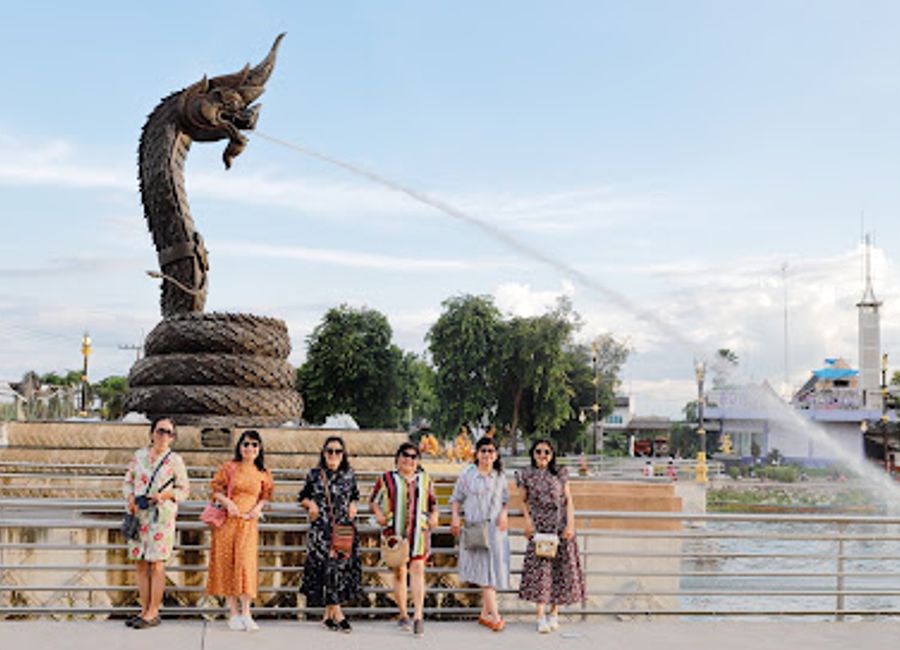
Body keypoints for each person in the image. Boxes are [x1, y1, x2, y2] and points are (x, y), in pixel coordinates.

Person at [122, 416, 189, 629]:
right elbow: (128, 481)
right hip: (139, 515)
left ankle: (153, 611)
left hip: (161, 517)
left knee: (157, 564)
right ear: (152, 433)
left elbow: (184, 490)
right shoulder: (139, 456)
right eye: (160, 431)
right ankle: (144, 609)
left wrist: (165, 495)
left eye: (169, 433)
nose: (164, 436)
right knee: (141, 564)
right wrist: (130, 498)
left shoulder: (175, 460)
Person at [206, 430, 273, 631]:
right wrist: (228, 503)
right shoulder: (229, 467)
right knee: (228, 563)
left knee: (245, 565)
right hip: (228, 522)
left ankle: (246, 611)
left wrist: (257, 509)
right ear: (239, 447)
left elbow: (266, 494)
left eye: (254, 445)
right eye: (246, 444)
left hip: (248, 523)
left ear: (259, 448)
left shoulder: (263, 472)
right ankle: (233, 612)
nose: (249, 448)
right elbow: (215, 489)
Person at [517, 439, 586, 633]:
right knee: (540, 571)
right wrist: (527, 521)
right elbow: (522, 500)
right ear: (532, 453)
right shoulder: (526, 475)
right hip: (539, 527)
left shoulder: (560, 473)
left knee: (558, 570)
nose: (542, 456)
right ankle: (540, 616)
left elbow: (568, 499)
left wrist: (571, 523)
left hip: (560, 525)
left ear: (552, 454)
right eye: (538, 452)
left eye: (547, 452)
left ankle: (554, 613)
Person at [370, 442, 438, 637]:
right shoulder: (387, 479)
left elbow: (433, 503)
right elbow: (373, 500)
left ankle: (418, 615)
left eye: (413, 456)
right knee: (400, 572)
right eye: (405, 455)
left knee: (418, 570)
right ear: (397, 458)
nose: (409, 459)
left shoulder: (425, 479)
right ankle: (403, 613)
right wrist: (378, 513)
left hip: (418, 532)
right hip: (395, 532)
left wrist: (434, 516)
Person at [299, 436, 361, 633]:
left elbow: (354, 495)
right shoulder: (315, 474)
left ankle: (328, 616)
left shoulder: (349, 475)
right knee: (329, 569)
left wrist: (353, 504)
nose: (333, 455)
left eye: (338, 451)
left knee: (337, 571)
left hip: (343, 530)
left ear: (343, 455)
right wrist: (310, 504)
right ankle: (339, 614)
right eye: (330, 451)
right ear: (323, 453)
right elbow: (302, 496)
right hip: (321, 531)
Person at [450, 436, 510, 632]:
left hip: (496, 531)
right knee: (486, 574)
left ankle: (485, 615)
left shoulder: (500, 475)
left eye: (491, 451)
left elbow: (506, 499)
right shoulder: (467, 474)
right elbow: (456, 498)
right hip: (476, 530)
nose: (487, 454)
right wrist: (455, 517)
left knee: (491, 572)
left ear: (496, 454)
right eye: (483, 450)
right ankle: (496, 617)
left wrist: (504, 514)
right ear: (477, 453)